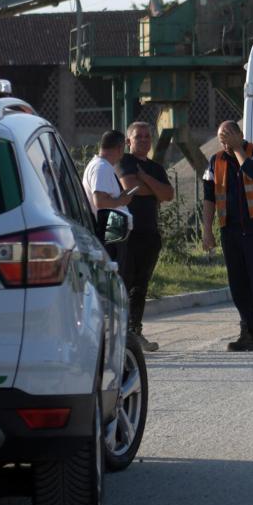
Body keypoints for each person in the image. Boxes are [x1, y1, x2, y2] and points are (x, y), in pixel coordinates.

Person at [201, 119, 253, 353]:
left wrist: (237, 149)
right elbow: (209, 198)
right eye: (221, 138)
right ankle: (249, 334)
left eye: (228, 136)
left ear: (239, 135)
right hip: (231, 231)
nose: (224, 142)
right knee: (239, 286)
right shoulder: (214, 161)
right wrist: (207, 231)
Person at [118, 121, 172, 354]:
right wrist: (150, 186)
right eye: (138, 137)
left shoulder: (155, 168)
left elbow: (168, 194)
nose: (143, 140)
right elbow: (131, 187)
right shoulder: (124, 161)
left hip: (150, 234)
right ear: (129, 141)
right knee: (124, 283)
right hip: (127, 234)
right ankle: (119, 333)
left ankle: (135, 331)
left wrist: (145, 178)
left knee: (140, 287)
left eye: (147, 137)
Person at [81, 129, 132, 266]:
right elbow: (100, 202)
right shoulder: (101, 168)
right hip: (109, 235)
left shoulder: (101, 166)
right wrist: (121, 201)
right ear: (120, 148)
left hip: (111, 233)